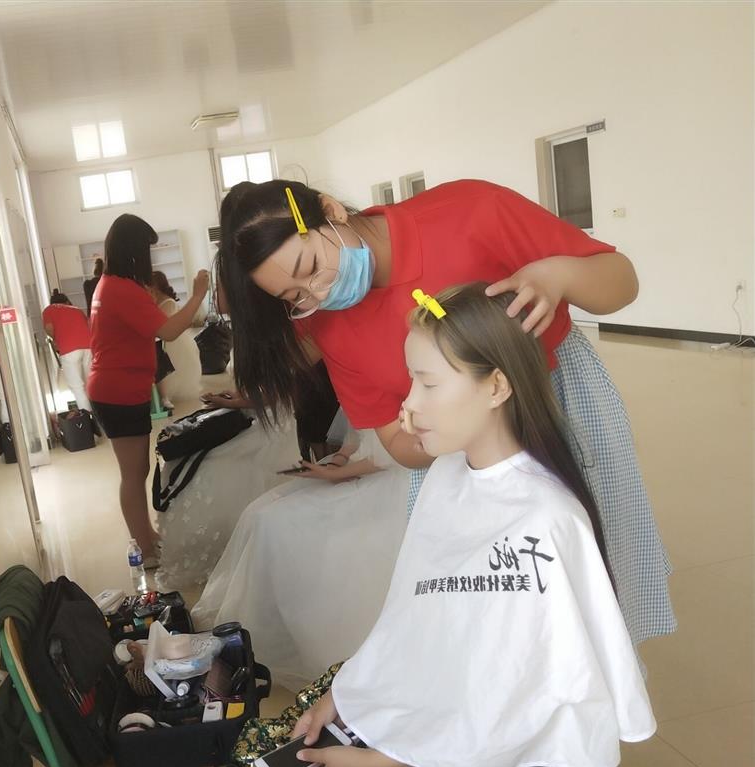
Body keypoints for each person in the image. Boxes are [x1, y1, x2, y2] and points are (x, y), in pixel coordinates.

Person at [191, 283, 655, 767]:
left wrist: (379, 761)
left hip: (482, 754)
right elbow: (414, 616)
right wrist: (345, 695)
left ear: (496, 386)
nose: (408, 405)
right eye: (411, 380)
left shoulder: (545, 521)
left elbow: (519, 694)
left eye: (428, 383)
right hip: (426, 705)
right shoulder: (446, 476)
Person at [216, 177, 673, 648]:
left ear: (330, 211)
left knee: (589, 576)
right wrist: (438, 426)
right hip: (458, 463)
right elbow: (398, 442)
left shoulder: (470, 212)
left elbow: (621, 281)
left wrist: (558, 276)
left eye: (311, 266)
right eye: (295, 297)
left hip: (556, 406)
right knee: (497, 614)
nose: (320, 292)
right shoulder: (329, 325)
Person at [191, 425, 409, 689]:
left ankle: (285, 633)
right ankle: (270, 629)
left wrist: (338, 472)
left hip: (389, 480)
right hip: (358, 468)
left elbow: (394, 455)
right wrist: (339, 459)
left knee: (277, 523)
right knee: (258, 514)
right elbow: (358, 431)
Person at [87, 214, 209, 567]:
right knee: (133, 473)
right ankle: (144, 546)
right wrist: (198, 295)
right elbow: (169, 330)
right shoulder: (121, 289)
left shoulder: (110, 284)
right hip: (119, 392)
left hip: (118, 389)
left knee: (136, 471)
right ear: (134, 251)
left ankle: (147, 536)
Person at [153, 390, 300, 592]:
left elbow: (273, 395)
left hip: (270, 425)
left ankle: (237, 545)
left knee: (211, 465)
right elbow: (264, 390)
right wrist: (235, 397)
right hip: (260, 415)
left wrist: (231, 402)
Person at [149, 270, 203, 406]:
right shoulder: (155, 302)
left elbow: (165, 325)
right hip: (164, 340)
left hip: (172, 342)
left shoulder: (168, 302)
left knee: (169, 369)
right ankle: (163, 395)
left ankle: (166, 396)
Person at [42, 289, 93, 412]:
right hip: (88, 347)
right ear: (66, 301)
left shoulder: (49, 310)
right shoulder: (77, 310)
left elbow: (49, 328)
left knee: (77, 387)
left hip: (68, 349)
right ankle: (99, 412)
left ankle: (87, 416)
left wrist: (55, 340)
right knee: (91, 382)